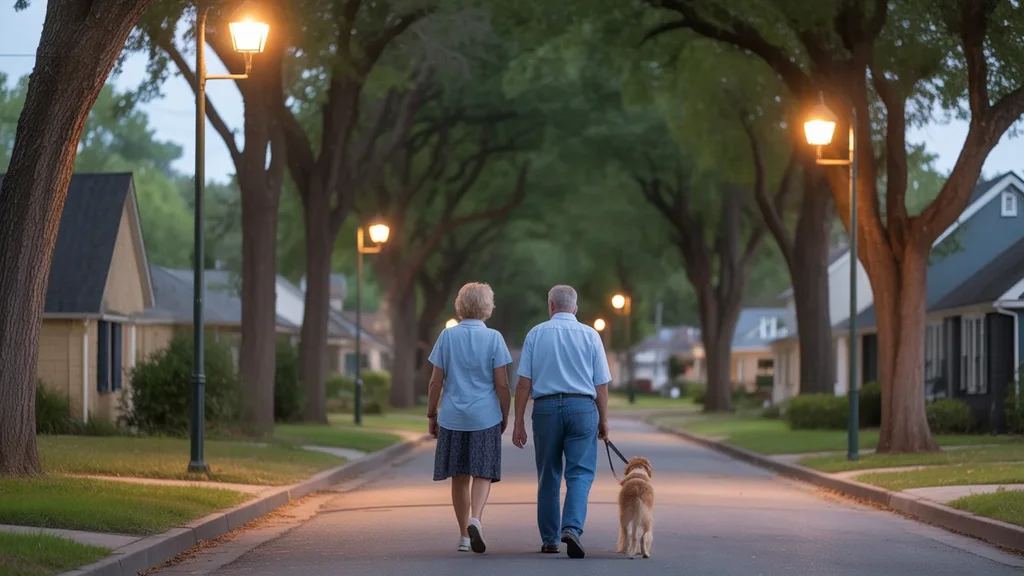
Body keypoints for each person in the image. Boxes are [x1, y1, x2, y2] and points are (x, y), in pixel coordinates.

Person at [512, 285, 611, 559]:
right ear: (575, 308)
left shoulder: (536, 334)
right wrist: (604, 420)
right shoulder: (591, 335)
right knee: (580, 473)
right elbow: (600, 386)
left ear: (551, 306)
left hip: (545, 410)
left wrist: (518, 422)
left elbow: (523, 384)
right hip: (582, 408)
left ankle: (550, 540)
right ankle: (572, 529)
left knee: (548, 476)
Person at [426, 282, 513, 554]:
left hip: (453, 417)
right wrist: (505, 412)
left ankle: (464, 535)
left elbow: (435, 382)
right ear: (488, 306)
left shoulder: (447, 337)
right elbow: (502, 384)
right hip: (485, 416)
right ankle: (477, 518)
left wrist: (432, 413)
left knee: (459, 476)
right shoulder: (494, 338)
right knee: (482, 471)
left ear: (460, 305)